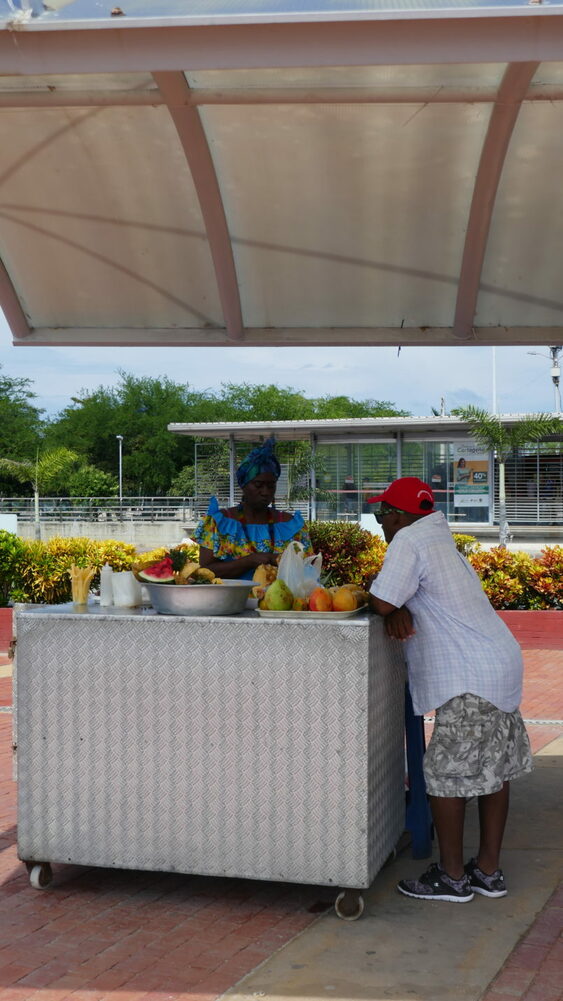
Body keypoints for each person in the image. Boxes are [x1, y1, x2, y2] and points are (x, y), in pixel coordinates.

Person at [367, 477, 532, 904]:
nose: (379, 522)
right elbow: (402, 598)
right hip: (499, 665)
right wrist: (400, 604)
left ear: (399, 515)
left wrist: (392, 606)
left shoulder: (408, 540)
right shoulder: (437, 538)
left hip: (468, 678)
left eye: (381, 513)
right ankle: (488, 872)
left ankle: (453, 877)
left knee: (442, 777)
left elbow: (381, 600)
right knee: (495, 773)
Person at [194, 437, 313, 580]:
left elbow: (309, 570)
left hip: (281, 601)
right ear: (243, 485)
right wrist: (248, 562)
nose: (265, 492)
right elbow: (204, 571)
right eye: (258, 485)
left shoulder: (292, 526)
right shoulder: (218, 523)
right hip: (231, 601)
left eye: (271, 485)